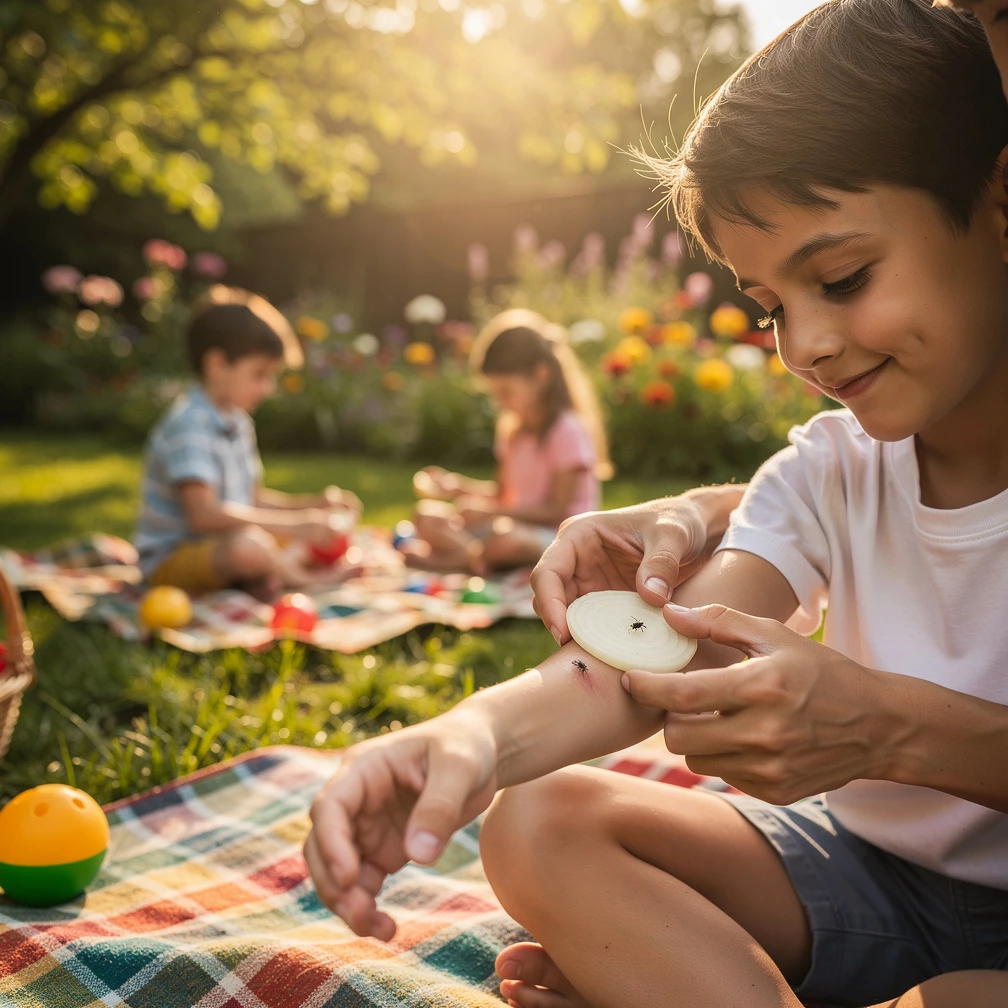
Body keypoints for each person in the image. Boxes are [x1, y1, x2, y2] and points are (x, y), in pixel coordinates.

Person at [304, 2, 1008, 1006]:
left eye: (842, 278)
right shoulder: (829, 470)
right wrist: (470, 736)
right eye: (769, 307)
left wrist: (893, 727)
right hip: (865, 873)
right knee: (537, 822)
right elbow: (659, 650)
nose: (801, 345)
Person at [135, 285, 362, 599]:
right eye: (259, 375)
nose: (268, 389)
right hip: (174, 559)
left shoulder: (238, 422)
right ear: (217, 365)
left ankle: (266, 574)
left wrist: (313, 505)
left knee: (315, 534)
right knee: (250, 547)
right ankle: (299, 580)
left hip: (225, 543)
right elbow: (204, 515)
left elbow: (252, 499)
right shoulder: (189, 424)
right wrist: (295, 525)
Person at [404, 308, 611, 574]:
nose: (500, 402)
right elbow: (503, 493)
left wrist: (490, 512)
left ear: (541, 374)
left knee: (508, 541)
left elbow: (555, 511)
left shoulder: (567, 431)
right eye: (495, 393)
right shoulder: (513, 430)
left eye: (506, 392)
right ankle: (472, 557)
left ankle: (458, 559)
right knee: (426, 516)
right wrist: (458, 487)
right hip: (509, 524)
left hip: (556, 536)